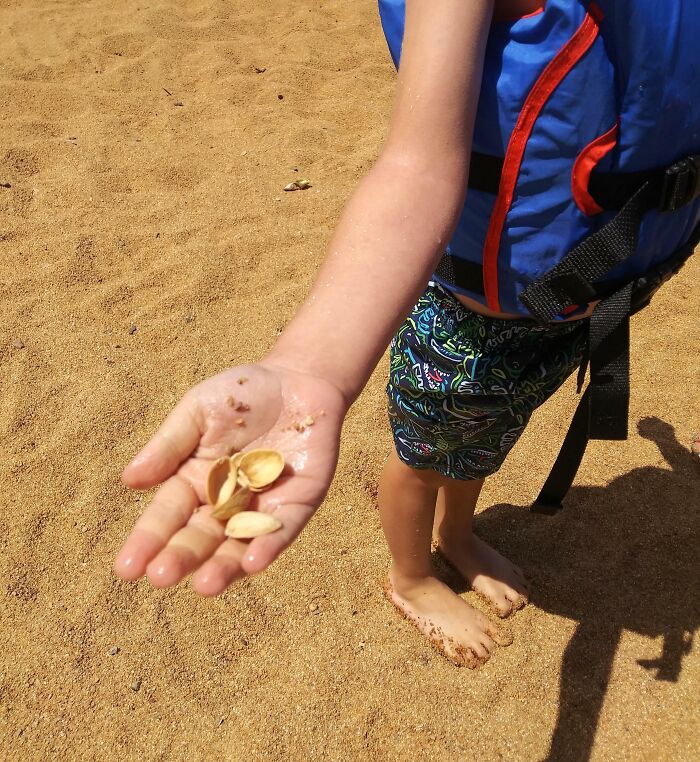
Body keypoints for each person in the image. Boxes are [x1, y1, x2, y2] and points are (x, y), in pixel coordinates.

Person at [114, 0, 699, 668]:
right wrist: (314, 364)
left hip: (573, 310)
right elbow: (415, 168)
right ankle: (411, 577)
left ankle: (456, 534)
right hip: (466, 324)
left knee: (482, 442)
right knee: (422, 459)